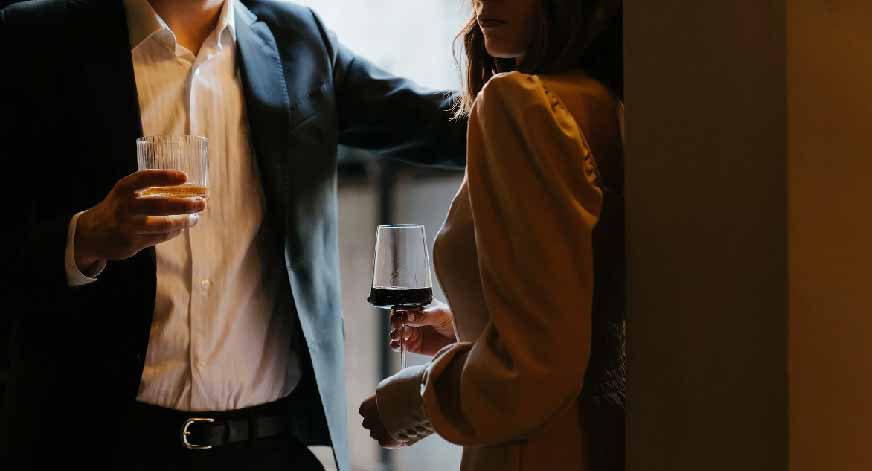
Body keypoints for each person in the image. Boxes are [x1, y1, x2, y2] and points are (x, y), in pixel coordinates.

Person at [0, 0, 466, 470]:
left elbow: (442, 126)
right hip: (95, 445)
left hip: (269, 447)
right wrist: (84, 238)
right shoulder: (35, 38)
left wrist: (532, 89)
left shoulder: (296, 36)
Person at [358, 0, 625, 469]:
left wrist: (415, 402)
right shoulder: (609, 102)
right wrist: (469, 329)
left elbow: (534, 369)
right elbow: (579, 317)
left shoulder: (521, 102)